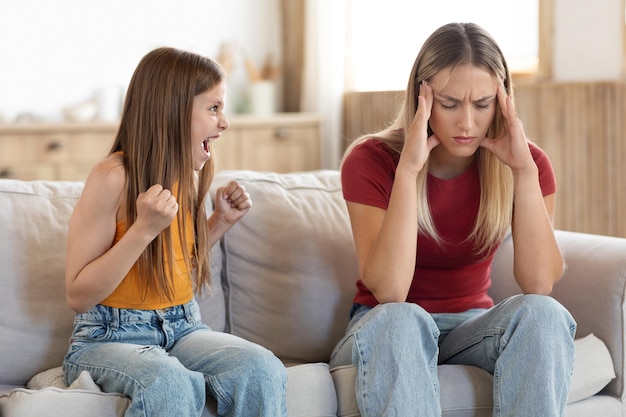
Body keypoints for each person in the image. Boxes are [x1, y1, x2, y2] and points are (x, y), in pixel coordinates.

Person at [330, 22, 576, 417]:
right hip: (385, 324)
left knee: (544, 315)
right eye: (449, 104)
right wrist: (408, 172)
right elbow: (390, 291)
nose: (466, 123)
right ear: (422, 98)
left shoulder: (527, 165)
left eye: (482, 104)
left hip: (471, 328)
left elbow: (538, 284)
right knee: (401, 320)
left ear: (503, 101)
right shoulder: (371, 159)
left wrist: (524, 173)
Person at [62, 47, 287, 417]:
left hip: (183, 326)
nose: (224, 122)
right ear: (173, 110)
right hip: (107, 337)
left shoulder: (186, 174)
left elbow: (175, 267)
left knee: (261, 369)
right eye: (213, 108)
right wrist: (142, 230)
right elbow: (78, 294)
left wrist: (220, 222)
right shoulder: (112, 177)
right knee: (170, 381)